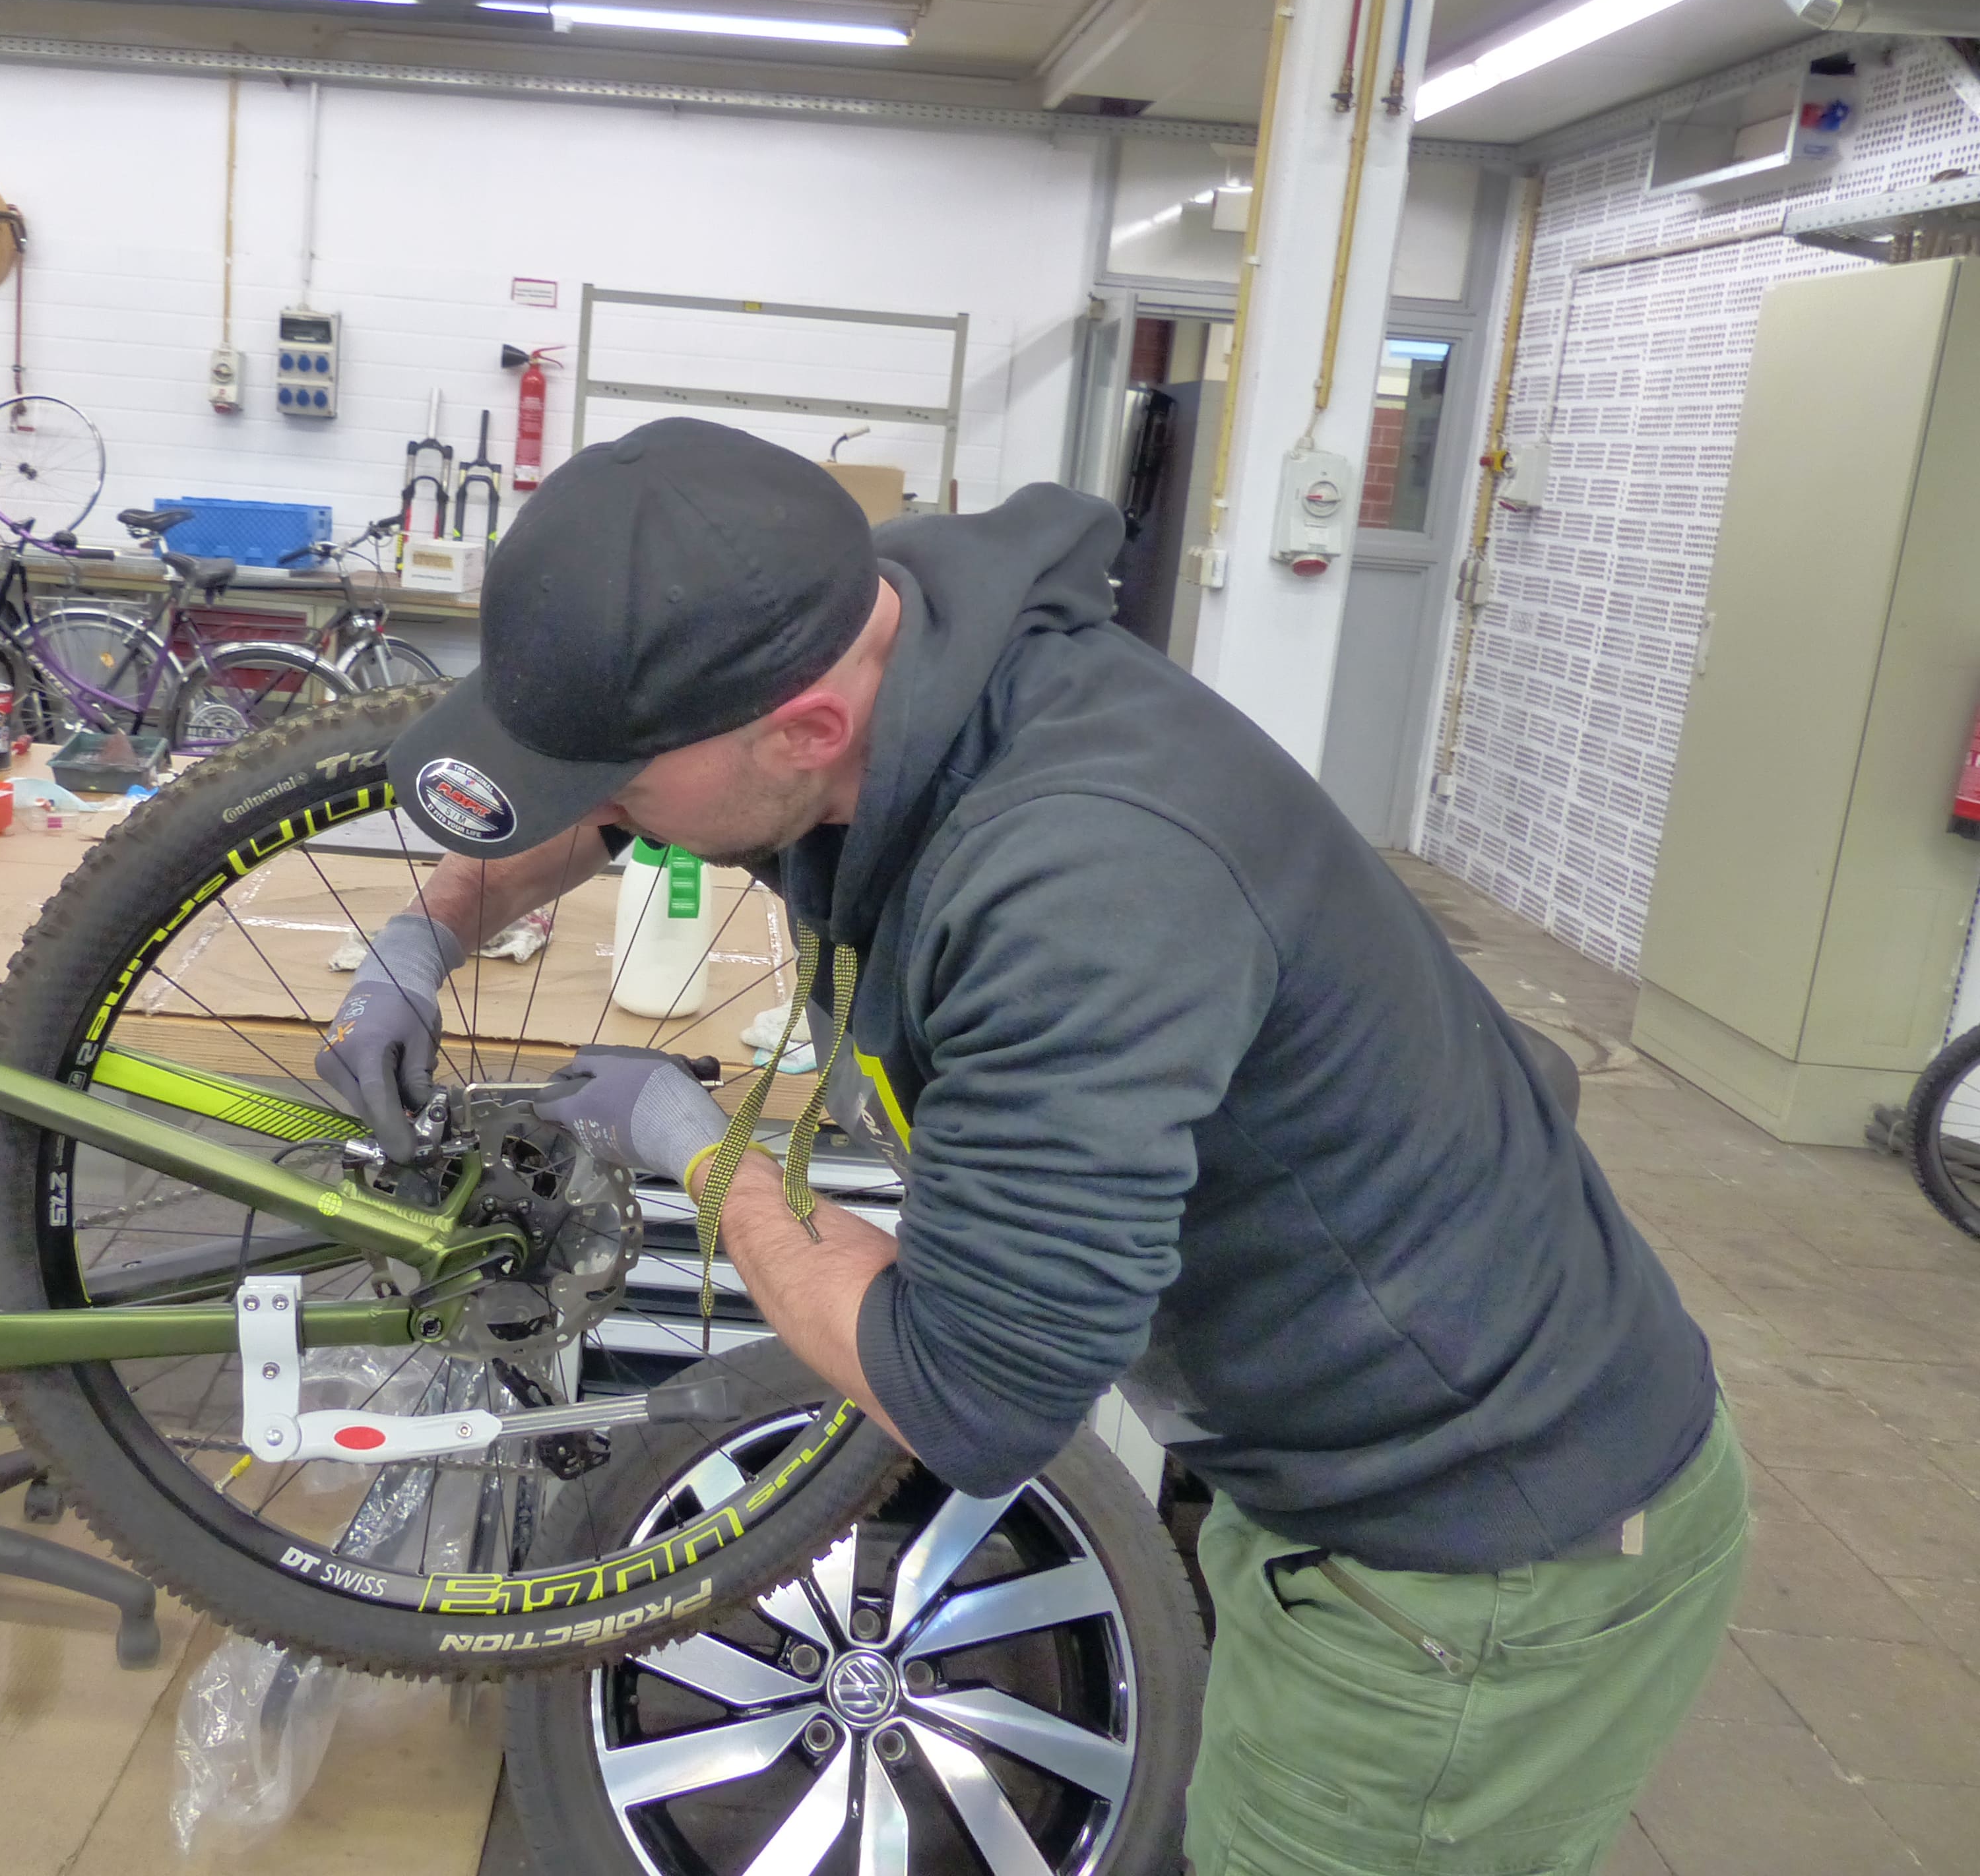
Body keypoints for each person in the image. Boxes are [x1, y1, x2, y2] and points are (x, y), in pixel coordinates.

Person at [315, 416, 1745, 1875]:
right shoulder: (886, 635)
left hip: (1471, 1560)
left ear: (803, 731)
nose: (598, 814)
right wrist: (429, 931)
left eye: (615, 783)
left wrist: (689, 1139)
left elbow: (974, 1393)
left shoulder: (1080, 890)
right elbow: (610, 803)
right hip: (1314, 1479)